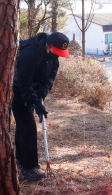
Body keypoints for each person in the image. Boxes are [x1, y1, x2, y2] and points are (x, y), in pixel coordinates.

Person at [12, 32, 70, 181]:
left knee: (23, 127)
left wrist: (43, 91)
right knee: (28, 128)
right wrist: (35, 102)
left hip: (35, 89)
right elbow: (23, 81)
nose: (57, 54)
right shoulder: (30, 54)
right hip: (19, 91)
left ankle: (20, 160)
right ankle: (28, 169)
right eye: (56, 51)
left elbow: (52, 74)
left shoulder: (52, 54)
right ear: (49, 45)